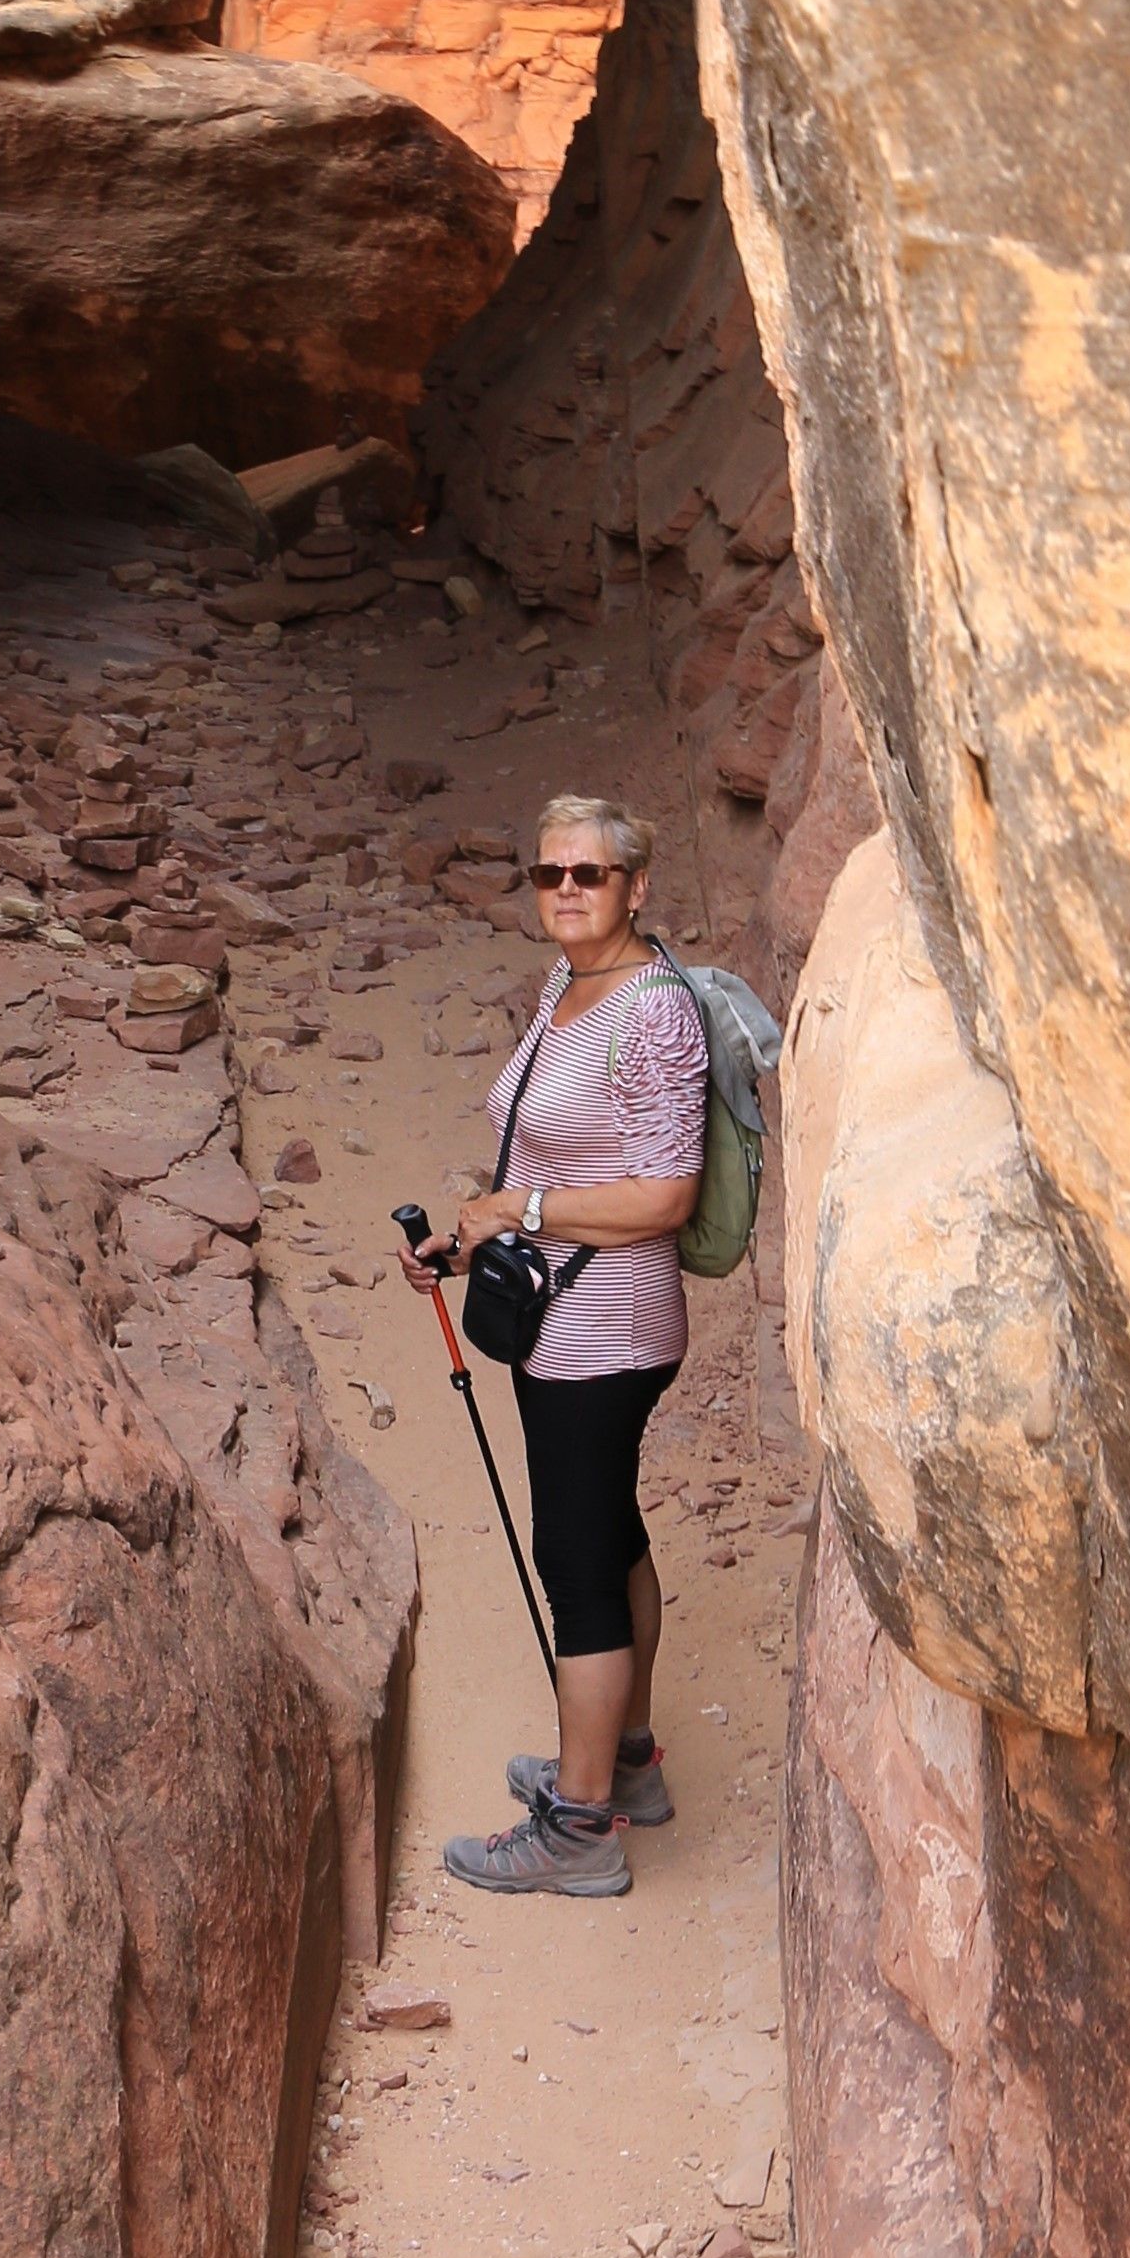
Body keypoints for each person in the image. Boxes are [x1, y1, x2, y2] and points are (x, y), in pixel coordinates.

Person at [401, 791, 708, 1897]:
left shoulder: (653, 1012)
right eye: (549, 874)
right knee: (612, 1531)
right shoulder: (573, 984)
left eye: (588, 873)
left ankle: (579, 1828)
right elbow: (545, 1146)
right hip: (561, 1311)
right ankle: (625, 1761)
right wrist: (469, 1230)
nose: (567, 891)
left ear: (636, 886)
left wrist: (516, 1210)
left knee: (575, 1563)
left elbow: (666, 1194)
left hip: (607, 1327)